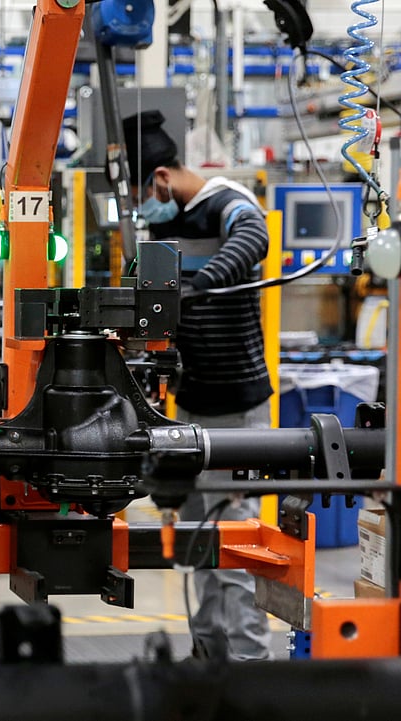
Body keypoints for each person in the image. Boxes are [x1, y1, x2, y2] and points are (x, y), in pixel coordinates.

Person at [123, 109, 274, 661]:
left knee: (235, 548)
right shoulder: (163, 225)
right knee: (197, 547)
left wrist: (198, 288)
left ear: (162, 179)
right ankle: (208, 656)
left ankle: (250, 664)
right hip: (187, 410)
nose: (142, 209)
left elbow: (252, 236)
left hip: (237, 413)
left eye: (142, 193)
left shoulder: (225, 199)